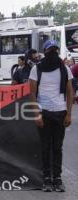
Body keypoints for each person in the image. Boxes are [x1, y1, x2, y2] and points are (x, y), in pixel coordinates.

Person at [29, 40, 74, 192]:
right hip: (44, 112)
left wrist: (69, 114)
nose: (53, 53)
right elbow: (32, 93)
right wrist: (37, 114)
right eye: (50, 50)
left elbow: (70, 92)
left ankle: (58, 178)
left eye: (55, 50)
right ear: (45, 51)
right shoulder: (37, 69)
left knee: (57, 147)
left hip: (60, 112)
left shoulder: (64, 69)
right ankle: (46, 178)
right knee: (45, 147)